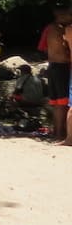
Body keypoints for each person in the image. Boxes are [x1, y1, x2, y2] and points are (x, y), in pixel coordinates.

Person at [43, 8, 71, 140]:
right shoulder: (62, 30)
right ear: (60, 15)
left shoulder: (50, 28)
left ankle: (56, 132)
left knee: (55, 103)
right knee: (63, 103)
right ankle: (61, 134)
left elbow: (44, 48)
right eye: (69, 14)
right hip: (61, 68)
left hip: (52, 66)